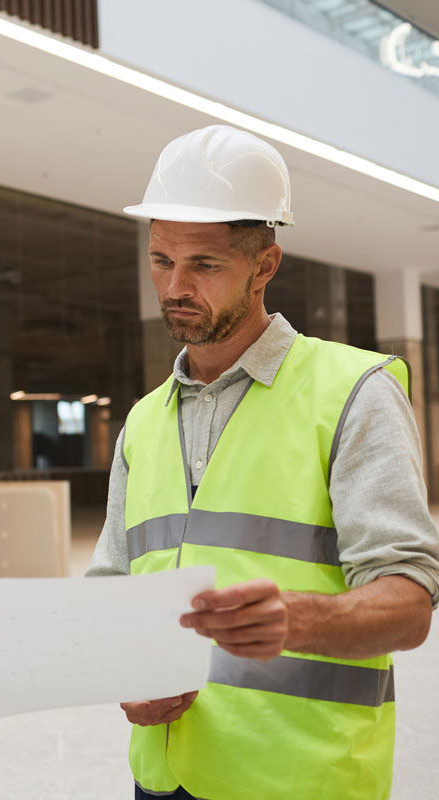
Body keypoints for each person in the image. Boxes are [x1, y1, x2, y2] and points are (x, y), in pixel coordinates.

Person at [86, 125, 439, 800]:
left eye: (205, 265)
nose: (176, 286)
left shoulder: (354, 393)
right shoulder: (142, 421)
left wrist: (298, 619)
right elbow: (112, 595)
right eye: (161, 260)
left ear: (265, 265)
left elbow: (409, 603)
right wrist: (123, 676)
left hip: (301, 779)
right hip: (163, 779)